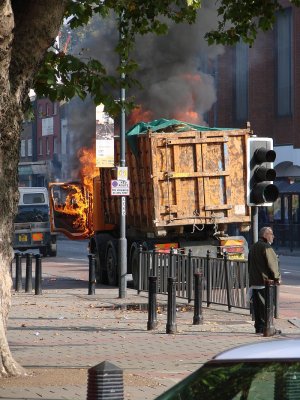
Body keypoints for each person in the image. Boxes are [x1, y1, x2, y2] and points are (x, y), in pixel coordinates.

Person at [248, 226, 281, 334]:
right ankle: (268, 328)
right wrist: (277, 278)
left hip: (255, 282)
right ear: (265, 235)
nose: (273, 237)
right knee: (266, 306)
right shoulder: (266, 247)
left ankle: (259, 327)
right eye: (271, 234)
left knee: (258, 307)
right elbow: (272, 265)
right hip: (265, 282)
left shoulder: (253, 247)